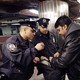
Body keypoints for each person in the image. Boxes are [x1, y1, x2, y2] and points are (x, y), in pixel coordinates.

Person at [40, 15, 80, 80]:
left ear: (64, 27)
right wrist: (59, 52)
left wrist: (52, 60)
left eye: (59, 30)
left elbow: (63, 62)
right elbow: (66, 46)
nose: (59, 33)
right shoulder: (73, 33)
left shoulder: (74, 37)